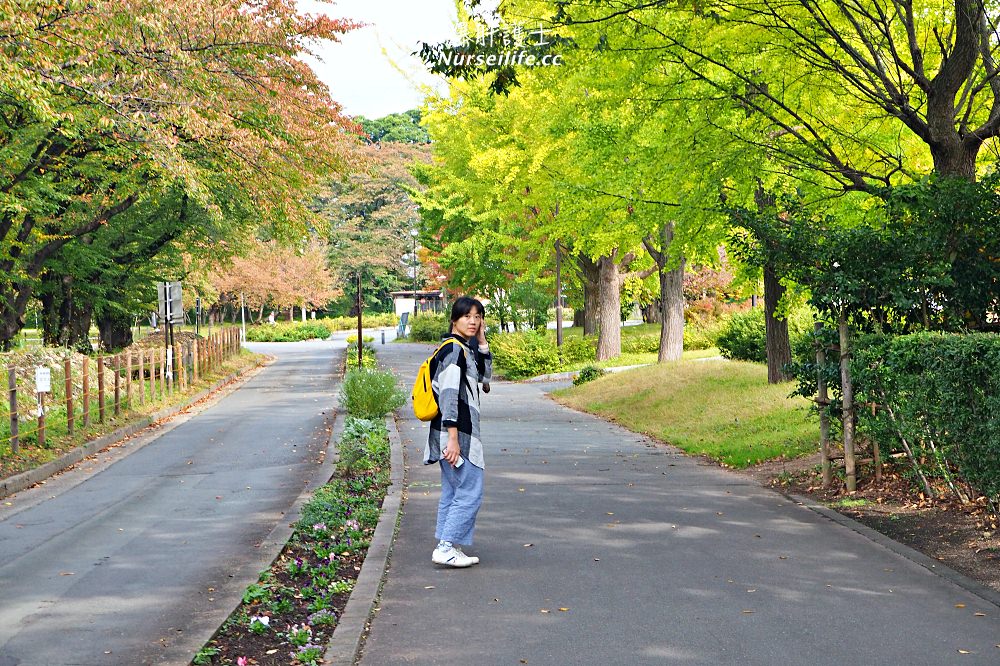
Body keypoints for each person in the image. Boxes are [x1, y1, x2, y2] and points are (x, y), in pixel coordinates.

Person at [423, 296, 492, 567]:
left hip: (454, 433)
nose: (473, 321)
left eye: (478, 316)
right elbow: (449, 396)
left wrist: (483, 341)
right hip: (457, 434)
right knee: (471, 490)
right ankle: (445, 546)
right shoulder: (453, 351)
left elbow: (486, 378)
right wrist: (453, 439)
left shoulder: (464, 349)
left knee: (453, 492)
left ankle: (448, 545)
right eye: (467, 316)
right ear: (454, 320)